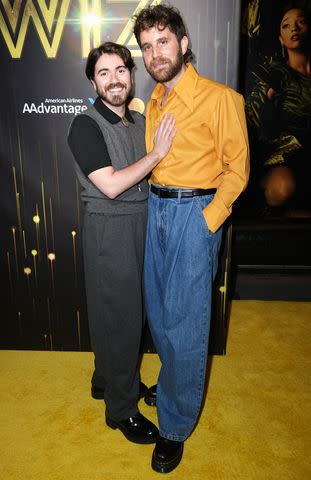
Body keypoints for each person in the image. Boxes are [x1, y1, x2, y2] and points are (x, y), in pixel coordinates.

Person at [133, 4, 250, 473]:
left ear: (183, 44)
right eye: (146, 46)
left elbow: (237, 170)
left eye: (163, 42)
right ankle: (172, 381)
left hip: (193, 214)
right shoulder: (157, 99)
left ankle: (176, 425)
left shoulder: (222, 98)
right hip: (157, 207)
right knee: (160, 310)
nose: (154, 53)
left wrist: (209, 219)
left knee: (185, 319)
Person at [67, 42, 176, 445]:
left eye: (120, 71)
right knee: (120, 318)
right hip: (110, 231)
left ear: (131, 74)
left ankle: (107, 380)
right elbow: (110, 185)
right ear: (93, 82)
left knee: (120, 314)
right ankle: (122, 409)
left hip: (139, 225)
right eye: (103, 73)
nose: (114, 80)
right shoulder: (85, 125)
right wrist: (158, 153)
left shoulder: (135, 119)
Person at [245, 4, 311, 217]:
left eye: (301, 22)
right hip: (284, 158)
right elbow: (262, 127)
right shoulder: (276, 76)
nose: (295, 28)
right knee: (282, 187)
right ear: (281, 39)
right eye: (287, 25)